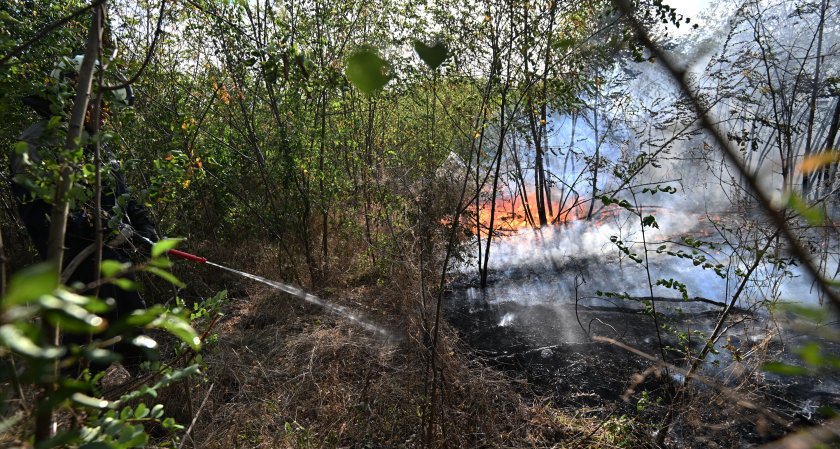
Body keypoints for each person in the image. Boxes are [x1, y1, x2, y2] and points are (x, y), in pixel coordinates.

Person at [10, 55, 158, 372]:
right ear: (74, 96)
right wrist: (95, 227)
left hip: (113, 263)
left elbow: (122, 194)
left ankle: (150, 388)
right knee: (83, 353)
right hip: (75, 269)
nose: (105, 114)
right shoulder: (38, 143)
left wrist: (145, 229)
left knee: (133, 332)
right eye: (99, 103)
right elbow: (40, 215)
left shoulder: (97, 143)